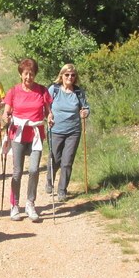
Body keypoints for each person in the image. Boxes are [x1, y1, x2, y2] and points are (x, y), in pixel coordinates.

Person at [3, 57, 52, 222]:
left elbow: (48, 111)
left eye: (31, 74)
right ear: (20, 74)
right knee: (17, 172)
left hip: (36, 134)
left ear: (35, 74)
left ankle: (30, 203)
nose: (28, 77)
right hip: (18, 134)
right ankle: (14, 204)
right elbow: (7, 112)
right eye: (25, 74)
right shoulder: (14, 91)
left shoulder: (42, 91)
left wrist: (50, 117)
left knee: (33, 170)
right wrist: (5, 117)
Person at [47, 63, 90, 202]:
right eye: (67, 75)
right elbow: (45, 107)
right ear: (62, 75)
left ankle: (62, 190)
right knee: (55, 159)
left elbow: (85, 107)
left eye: (72, 75)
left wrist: (85, 112)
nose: (70, 77)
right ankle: (49, 181)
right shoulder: (54, 90)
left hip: (74, 131)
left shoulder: (78, 92)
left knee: (67, 161)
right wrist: (48, 115)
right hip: (56, 130)